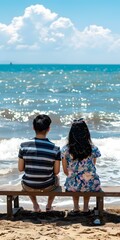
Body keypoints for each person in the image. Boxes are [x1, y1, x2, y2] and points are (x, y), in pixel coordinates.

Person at [18, 114, 61, 212]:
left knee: (28, 177)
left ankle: (35, 205)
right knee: (57, 178)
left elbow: (20, 169)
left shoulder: (23, 146)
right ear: (49, 129)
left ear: (33, 128)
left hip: (28, 185)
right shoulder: (55, 149)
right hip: (47, 186)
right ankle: (49, 206)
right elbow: (56, 171)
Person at [62, 118, 101, 214]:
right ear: (86, 133)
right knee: (88, 177)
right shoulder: (93, 149)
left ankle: (75, 207)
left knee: (74, 179)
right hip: (91, 185)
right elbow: (93, 166)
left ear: (71, 134)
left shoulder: (66, 150)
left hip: (73, 186)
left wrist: (74, 175)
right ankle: (86, 207)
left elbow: (65, 171)